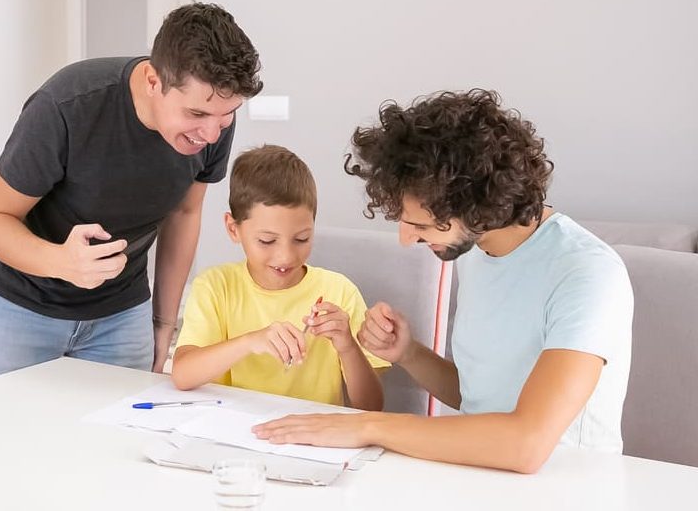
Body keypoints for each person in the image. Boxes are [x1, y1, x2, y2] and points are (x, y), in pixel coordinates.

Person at [253, 90, 633, 473]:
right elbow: (478, 398)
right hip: (476, 472)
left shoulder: (586, 273)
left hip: (566, 486)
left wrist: (366, 426)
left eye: (419, 225)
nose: (407, 239)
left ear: (478, 206)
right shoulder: (476, 251)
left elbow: (526, 444)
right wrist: (408, 353)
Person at [0, 3, 262, 384]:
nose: (212, 134)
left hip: (121, 315)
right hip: (19, 308)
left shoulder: (211, 123)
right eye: (197, 114)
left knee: (117, 439)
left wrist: (164, 321)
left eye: (228, 115)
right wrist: (61, 262)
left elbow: (185, 214)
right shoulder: (67, 106)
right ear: (154, 81)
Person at [171, 145, 389, 409]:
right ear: (233, 228)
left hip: (313, 437)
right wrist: (250, 341)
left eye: (301, 239)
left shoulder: (339, 291)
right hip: (233, 430)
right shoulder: (216, 286)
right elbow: (182, 375)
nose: (285, 256)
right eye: (267, 240)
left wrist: (348, 347)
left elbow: (371, 407)